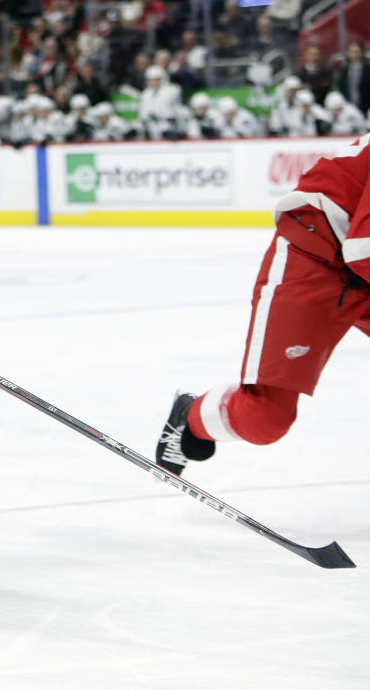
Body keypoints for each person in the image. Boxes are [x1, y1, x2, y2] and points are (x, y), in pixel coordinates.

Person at [155, 132, 370, 476]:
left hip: (357, 266)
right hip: (314, 255)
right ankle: (191, 418)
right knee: (265, 418)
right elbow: (364, 248)